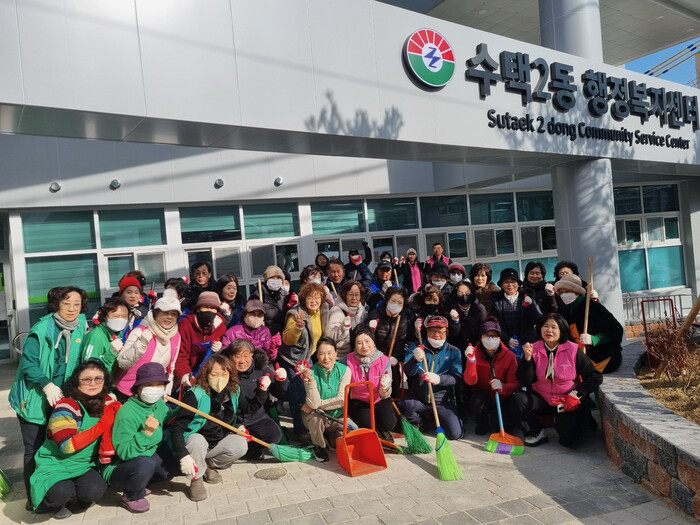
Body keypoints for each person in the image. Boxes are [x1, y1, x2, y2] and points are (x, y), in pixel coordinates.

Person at [9, 286, 88, 510]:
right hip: (33, 398)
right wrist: (47, 384)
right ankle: (34, 499)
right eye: (66, 304)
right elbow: (28, 365)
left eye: (76, 304)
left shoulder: (80, 325)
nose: (72, 309)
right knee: (34, 449)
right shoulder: (41, 329)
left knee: (55, 445)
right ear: (56, 305)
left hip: (61, 398)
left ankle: (56, 493)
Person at [30, 360, 119, 519]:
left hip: (85, 463)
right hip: (57, 463)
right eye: (86, 379)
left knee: (95, 490)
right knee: (61, 492)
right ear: (77, 382)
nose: (93, 383)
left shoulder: (107, 402)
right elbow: (67, 446)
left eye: (98, 378)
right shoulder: (66, 406)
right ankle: (57, 503)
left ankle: (80, 497)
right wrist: (103, 424)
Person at [514, 314, 603, 447]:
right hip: (542, 399)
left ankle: (576, 421)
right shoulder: (533, 349)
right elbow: (525, 381)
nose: (549, 330)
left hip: (566, 400)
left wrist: (577, 393)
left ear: (562, 329)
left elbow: (595, 376)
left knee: (570, 441)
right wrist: (527, 359)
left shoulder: (572, 349)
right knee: (519, 399)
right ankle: (537, 432)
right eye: (545, 326)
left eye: (554, 327)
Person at [168, 354, 247, 501]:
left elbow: (243, 410)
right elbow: (177, 429)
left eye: (224, 374)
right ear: (206, 375)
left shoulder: (233, 390)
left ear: (230, 374)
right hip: (194, 444)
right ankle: (196, 479)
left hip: (216, 441)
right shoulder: (195, 395)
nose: (220, 379)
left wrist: (239, 426)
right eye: (214, 374)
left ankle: (208, 465)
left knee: (241, 444)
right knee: (196, 440)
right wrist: (184, 455)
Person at [103, 363, 177, 513]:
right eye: (149, 384)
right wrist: (146, 433)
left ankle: (140, 481)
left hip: (146, 454)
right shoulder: (127, 412)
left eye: (159, 384)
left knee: (169, 468)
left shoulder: (157, 403)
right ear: (138, 388)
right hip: (119, 465)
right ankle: (131, 495)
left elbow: (166, 416)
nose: (155, 389)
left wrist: (181, 410)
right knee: (146, 464)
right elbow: (124, 452)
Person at [222, 339, 288, 460]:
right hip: (232, 419)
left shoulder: (261, 368)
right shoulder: (223, 371)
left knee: (274, 435)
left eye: (246, 356)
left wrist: (282, 381)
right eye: (238, 356)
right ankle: (241, 449)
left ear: (252, 355)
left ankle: (252, 449)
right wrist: (235, 425)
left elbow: (279, 393)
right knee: (232, 442)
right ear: (230, 356)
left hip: (257, 417)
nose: (242, 361)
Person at [400, 316, 463, 440]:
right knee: (406, 406)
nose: (436, 335)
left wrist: (439, 379)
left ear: (446, 333)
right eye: (432, 331)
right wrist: (415, 359)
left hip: (442, 401)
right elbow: (408, 372)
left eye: (440, 332)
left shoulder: (454, 351)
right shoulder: (416, 347)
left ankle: (440, 419)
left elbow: (456, 377)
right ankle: (423, 422)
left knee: (455, 434)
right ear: (427, 332)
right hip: (419, 398)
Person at [280, 283, 329, 439]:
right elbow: (287, 339)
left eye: (317, 297)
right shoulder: (295, 314)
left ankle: (312, 426)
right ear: (303, 299)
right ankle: (300, 430)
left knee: (310, 391)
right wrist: (297, 328)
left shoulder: (322, 310)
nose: (313, 301)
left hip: (308, 358)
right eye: (310, 297)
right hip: (292, 359)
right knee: (299, 394)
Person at [115, 289, 182, 398]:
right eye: (165, 312)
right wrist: (140, 345)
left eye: (173, 314)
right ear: (156, 314)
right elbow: (122, 362)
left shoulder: (175, 336)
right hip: (129, 391)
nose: (169, 317)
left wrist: (166, 390)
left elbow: (171, 366)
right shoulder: (140, 331)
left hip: (154, 392)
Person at [551, 274, 623, 373]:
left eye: (567, 291)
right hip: (580, 361)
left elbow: (617, 330)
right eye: (561, 292)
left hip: (604, 360)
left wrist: (595, 339)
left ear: (576, 291)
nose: (564, 295)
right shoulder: (564, 312)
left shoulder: (593, 307)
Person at [462, 317, 519, 435]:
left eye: (494, 335)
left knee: (501, 426)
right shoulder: (473, 353)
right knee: (476, 401)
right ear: (481, 337)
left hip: (501, 397)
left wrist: (503, 387)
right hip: (482, 395)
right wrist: (471, 361)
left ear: (499, 337)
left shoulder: (508, 356)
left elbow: (514, 383)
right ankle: (482, 422)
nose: (490, 339)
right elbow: (470, 381)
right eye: (487, 335)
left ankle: (499, 420)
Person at [299, 337, 352, 462]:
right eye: (322, 354)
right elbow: (314, 403)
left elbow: (342, 400)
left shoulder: (345, 370)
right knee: (315, 418)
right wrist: (310, 381)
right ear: (317, 355)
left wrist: (318, 404)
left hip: (337, 416)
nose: (326, 358)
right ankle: (318, 446)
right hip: (316, 415)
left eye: (329, 353)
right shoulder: (310, 373)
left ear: (336, 353)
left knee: (351, 431)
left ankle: (330, 437)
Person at [343, 325, 396, 441]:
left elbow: (386, 394)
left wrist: (384, 389)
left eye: (367, 341)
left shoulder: (384, 360)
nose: (364, 346)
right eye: (359, 343)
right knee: (366, 423)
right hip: (359, 400)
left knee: (389, 423)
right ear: (354, 345)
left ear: (373, 341)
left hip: (378, 398)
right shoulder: (347, 360)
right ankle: (373, 431)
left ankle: (382, 429)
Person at [175, 291, 227, 389]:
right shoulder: (185, 325)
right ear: (198, 309)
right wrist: (184, 373)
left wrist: (220, 350)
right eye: (205, 307)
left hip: (210, 376)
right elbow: (179, 353)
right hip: (188, 375)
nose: (209, 310)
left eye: (212, 308)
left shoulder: (221, 327)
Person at [488, 268, 543, 360]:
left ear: (518, 284)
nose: (510, 285)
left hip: (528, 344)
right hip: (506, 346)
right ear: (501, 285)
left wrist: (530, 306)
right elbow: (493, 324)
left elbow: (538, 320)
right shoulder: (496, 301)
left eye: (513, 282)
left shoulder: (527, 297)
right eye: (506, 282)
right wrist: (507, 339)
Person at [81, 297, 130, 372]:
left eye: (124, 316)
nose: (120, 319)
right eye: (115, 316)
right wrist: (111, 353)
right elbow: (89, 368)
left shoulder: (118, 333)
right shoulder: (95, 337)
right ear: (104, 316)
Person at [325, 281, 368, 358]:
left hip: (357, 354)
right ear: (344, 295)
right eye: (350, 294)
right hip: (340, 356)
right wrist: (342, 328)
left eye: (357, 294)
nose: (354, 298)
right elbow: (329, 336)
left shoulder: (362, 310)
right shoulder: (336, 311)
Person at [446, 280, 486, 350]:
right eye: (460, 293)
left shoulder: (479, 308)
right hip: (456, 347)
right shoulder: (449, 308)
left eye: (467, 293)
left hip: (476, 346)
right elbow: (452, 334)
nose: (464, 296)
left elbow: (483, 329)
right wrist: (455, 321)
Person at [249, 265, 287, 336]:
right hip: (264, 336)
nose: (275, 280)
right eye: (272, 277)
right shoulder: (259, 293)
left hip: (280, 336)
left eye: (278, 278)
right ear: (267, 279)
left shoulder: (282, 295)